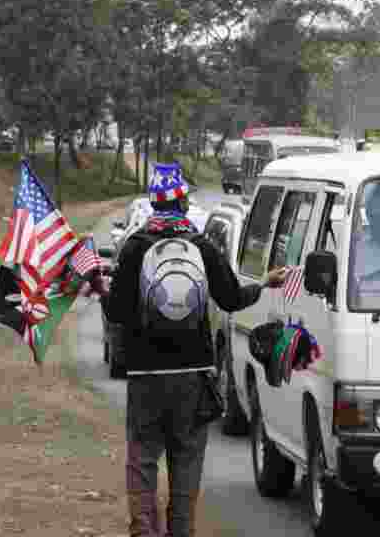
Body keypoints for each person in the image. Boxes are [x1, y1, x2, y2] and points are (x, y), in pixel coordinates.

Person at [106, 162, 287, 537]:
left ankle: (143, 532)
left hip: (145, 377)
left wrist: (101, 287)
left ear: (154, 202)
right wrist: (264, 284)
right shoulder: (201, 246)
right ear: (183, 201)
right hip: (194, 375)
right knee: (186, 465)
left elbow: (119, 313)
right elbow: (232, 298)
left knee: (142, 461)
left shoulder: (135, 247)